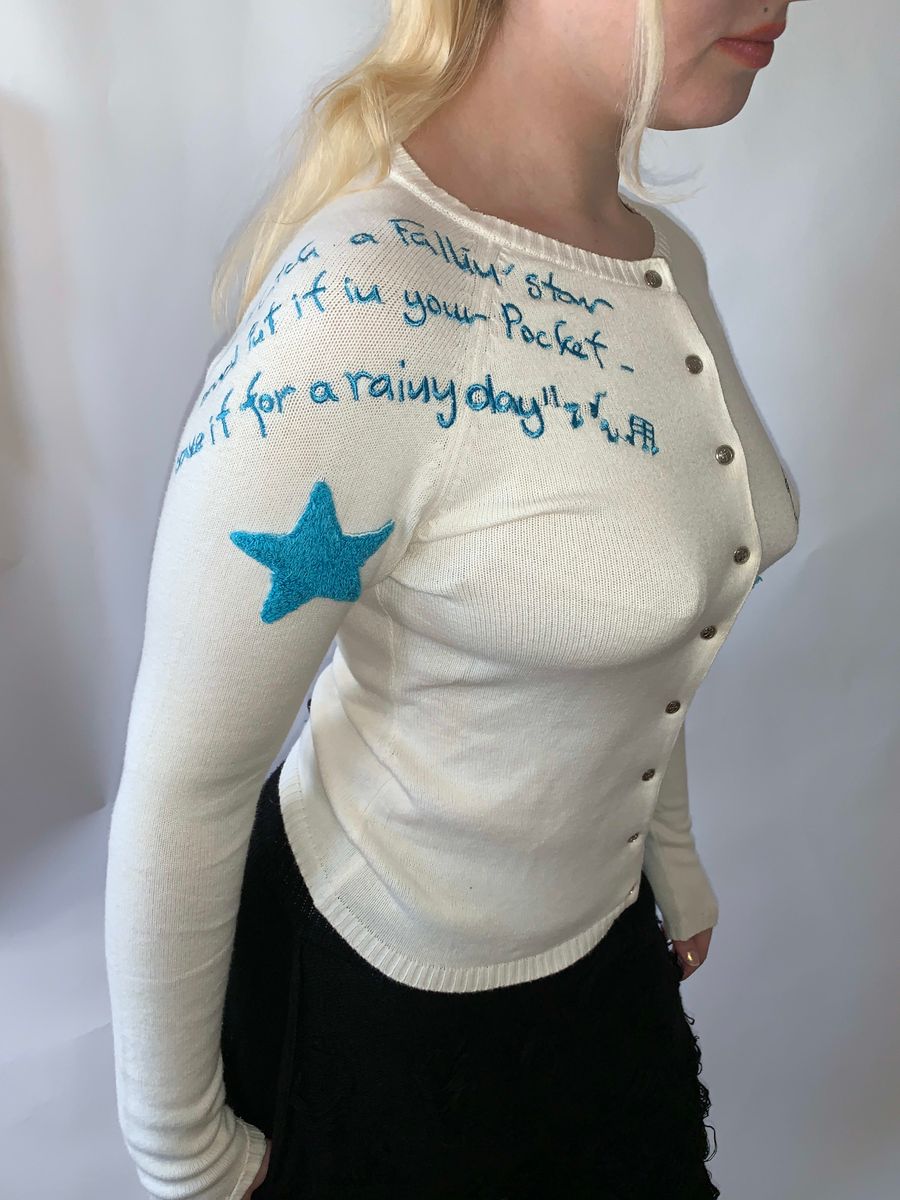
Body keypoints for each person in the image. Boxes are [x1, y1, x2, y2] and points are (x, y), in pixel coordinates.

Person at [104, 1, 805, 1197]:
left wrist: (670, 854)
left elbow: (639, 618)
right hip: (373, 1010)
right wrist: (185, 1161)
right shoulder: (362, 311)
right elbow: (188, 782)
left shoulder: (659, 265)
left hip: (600, 964)